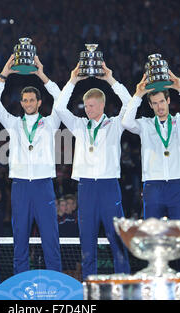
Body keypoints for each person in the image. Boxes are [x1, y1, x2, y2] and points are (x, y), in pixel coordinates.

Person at [54, 62, 131, 280]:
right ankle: (89, 286)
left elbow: (130, 102)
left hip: (109, 187)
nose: (87, 109)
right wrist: (72, 80)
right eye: (85, 106)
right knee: (87, 241)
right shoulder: (79, 125)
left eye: (91, 106)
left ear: (102, 106)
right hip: (86, 187)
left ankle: (124, 284)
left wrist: (110, 79)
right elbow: (60, 108)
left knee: (117, 239)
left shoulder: (116, 125)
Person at [121, 71, 180, 272]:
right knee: (154, 240)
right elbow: (126, 122)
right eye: (154, 103)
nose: (159, 107)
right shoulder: (145, 125)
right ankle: (156, 281)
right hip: (153, 187)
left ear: (168, 100)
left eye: (161, 102)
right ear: (150, 105)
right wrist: (138, 95)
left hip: (178, 185)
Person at [0, 55, 62, 274]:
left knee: (50, 236)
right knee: (20, 236)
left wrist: (41, 74)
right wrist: (4, 74)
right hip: (20, 186)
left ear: (39, 102)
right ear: (21, 102)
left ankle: (56, 282)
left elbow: (61, 100)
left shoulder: (50, 123)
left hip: (43, 186)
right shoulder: (13, 123)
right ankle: (19, 281)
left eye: (32, 100)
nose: (28, 103)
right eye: (25, 100)